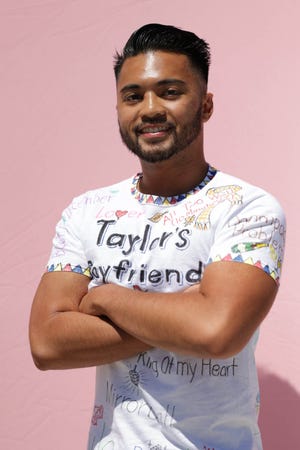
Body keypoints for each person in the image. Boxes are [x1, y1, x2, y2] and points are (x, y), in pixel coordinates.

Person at [29, 23, 286, 450]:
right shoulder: (87, 212)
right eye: (133, 96)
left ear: (205, 106)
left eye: (169, 92)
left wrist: (106, 297)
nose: (149, 108)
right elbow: (47, 344)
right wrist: (189, 310)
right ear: (117, 108)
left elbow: (218, 334)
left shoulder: (247, 207)